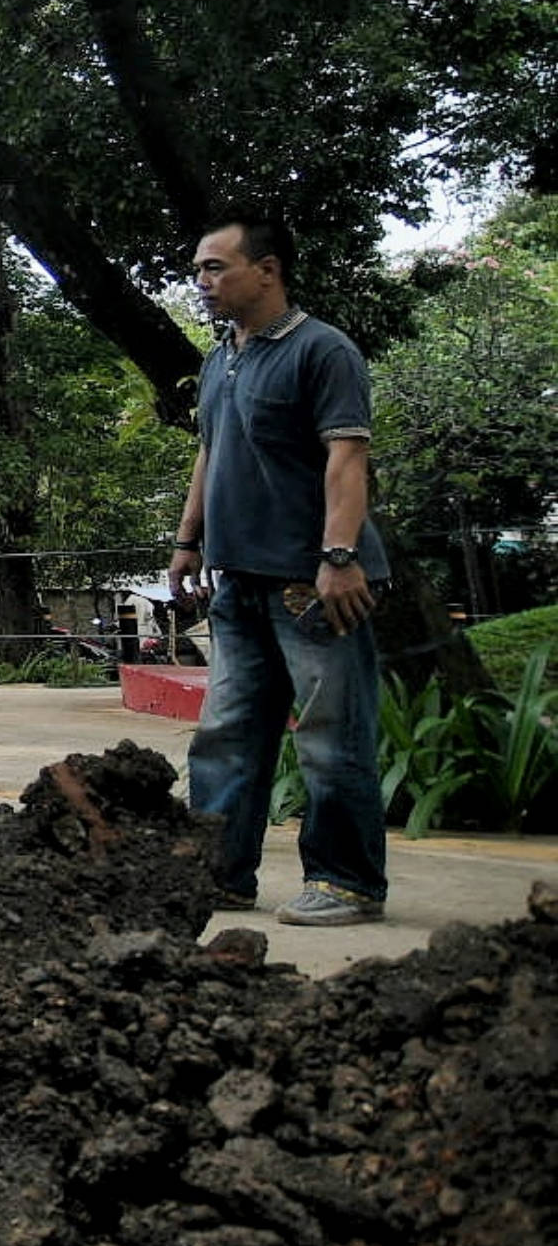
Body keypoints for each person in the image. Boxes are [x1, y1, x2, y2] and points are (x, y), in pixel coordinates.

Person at [167, 213, 391, 927]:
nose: (202, 282)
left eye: (215, 267)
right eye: (198, 270)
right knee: (228, 733)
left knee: (330, 736)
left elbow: (347, 458)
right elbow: (211, 452)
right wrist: (187, 541)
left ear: (267, 270)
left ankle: (348, 883)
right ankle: (222, 875)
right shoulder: (220, 357)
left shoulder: (322, 350)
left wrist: (339, 556)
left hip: (312, 582)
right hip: (237, 578)